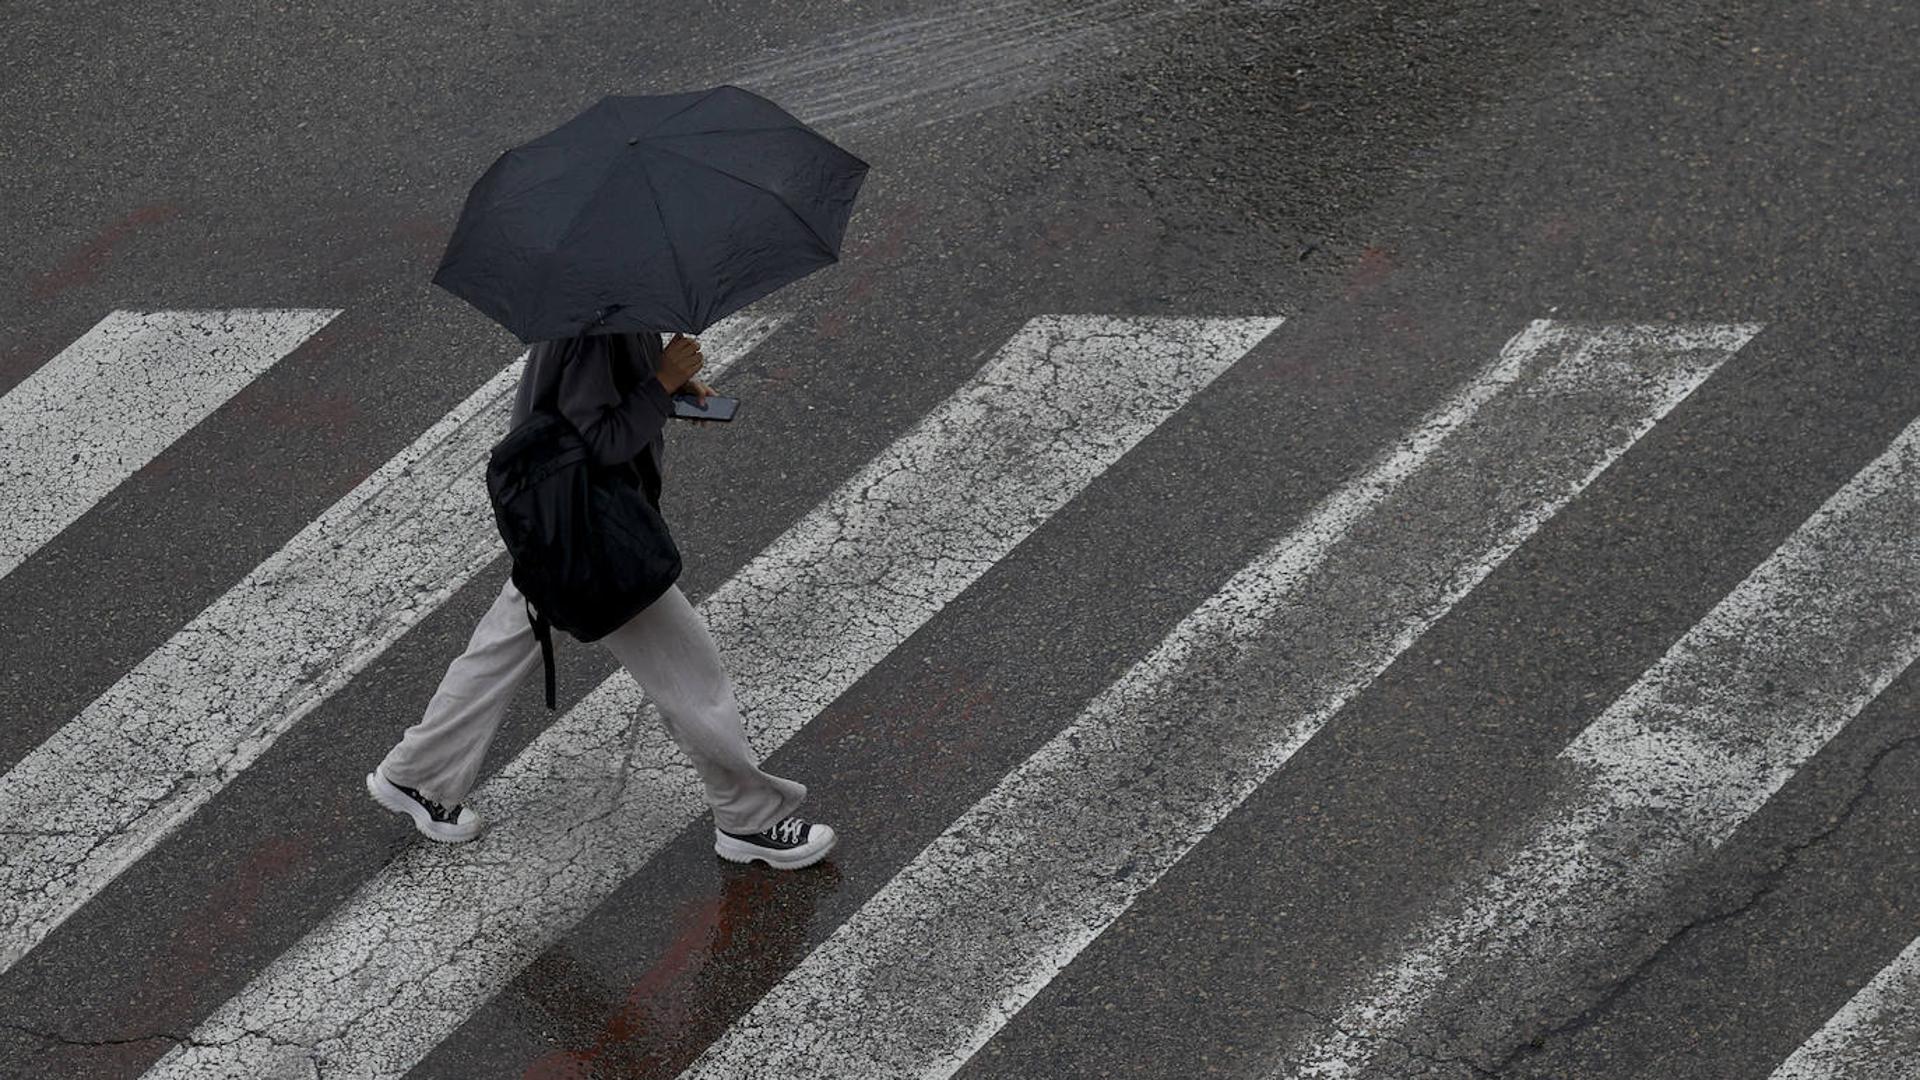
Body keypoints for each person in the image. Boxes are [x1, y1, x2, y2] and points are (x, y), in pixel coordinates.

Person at [364, 328, 836, 870]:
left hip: (559, 525)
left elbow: (587, 407)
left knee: (502, 648)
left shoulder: (604, 304)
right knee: (689, 672)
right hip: (594, 533)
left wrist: (670, 389)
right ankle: (750, 818)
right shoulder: (595, 324)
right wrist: (661, 383)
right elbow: (600, 438)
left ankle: (417, 774)